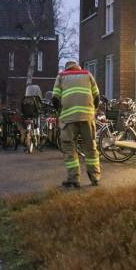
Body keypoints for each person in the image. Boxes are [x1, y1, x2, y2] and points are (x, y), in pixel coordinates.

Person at [52, 60, 100, 188]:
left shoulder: (61, 76)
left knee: (69, 147)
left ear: (67, 68)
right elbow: (97, 97)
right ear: (78, 67)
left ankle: (74, 179)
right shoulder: (88, 74)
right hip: (87, 116)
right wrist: (92, 111)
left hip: (69, 118)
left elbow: (55, 98)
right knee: (90, 146)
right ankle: (95, 177)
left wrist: (59, 110)